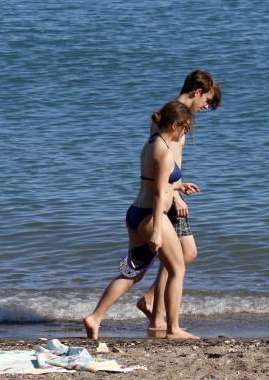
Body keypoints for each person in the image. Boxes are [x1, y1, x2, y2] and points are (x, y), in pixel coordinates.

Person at [83, 100, 199, 341]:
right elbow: (158, 194)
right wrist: (157, 230)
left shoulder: (152, 142)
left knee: (134, 272)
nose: (186, 132)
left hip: (135, 212)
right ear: (175, 124)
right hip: (150, 216)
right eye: (185, 128)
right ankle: (173, 329)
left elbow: (156, 180)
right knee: (177, 269)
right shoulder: (166, 151)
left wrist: (178, 185)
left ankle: (95, 318)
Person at [137, 70, 222, 334]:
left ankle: (154, 311)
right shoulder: (171, 118)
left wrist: (179, 186)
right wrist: (174, 196)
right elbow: (161, 161)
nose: (205, 107)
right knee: (183, 255)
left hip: (173, 190)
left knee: (179, 256)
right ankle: (155, 308)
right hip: (167, 197)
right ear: (197, 92)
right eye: (206, 101)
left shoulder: (174, 115)